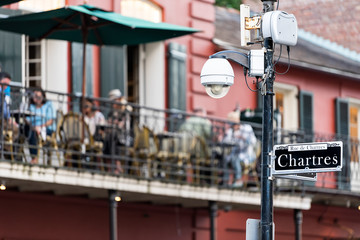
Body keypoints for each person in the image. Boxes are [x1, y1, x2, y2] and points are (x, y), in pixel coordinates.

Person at [221, 110, 257, 187]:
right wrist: (221, 138)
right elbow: (225, 141)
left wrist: (243, 138)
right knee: (226, 159)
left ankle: (238, 180)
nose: (232, 126)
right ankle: (226, 181)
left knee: (235, 158)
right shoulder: (231, 131)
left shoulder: (246, 128)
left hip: (247, 154)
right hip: (235, 153)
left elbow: (253, 141)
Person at [26, 88, 56, 164]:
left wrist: (40, 126)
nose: (37, 98)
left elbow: (51, 121)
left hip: (46, 128)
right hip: (33, 127)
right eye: (35, 96)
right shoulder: (31, 106)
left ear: (43, 97)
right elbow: (26, 119)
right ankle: (16, 156)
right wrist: (34, 127)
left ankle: (34, 158)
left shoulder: (48, 105)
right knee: (26, 129)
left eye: (39, 97)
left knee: (32, 132)